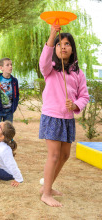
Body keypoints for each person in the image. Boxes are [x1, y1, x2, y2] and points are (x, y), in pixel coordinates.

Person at [39, 24, 89, 207]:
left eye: (67, 44)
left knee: (65, 155)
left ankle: (48, 186)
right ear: (55, 49)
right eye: (60, 44)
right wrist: (52, 35)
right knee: (53, 155)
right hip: (52, 117)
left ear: (72, 49)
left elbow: (84, 96)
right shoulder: (50, 69)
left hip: (67, 119)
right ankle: (46, 194)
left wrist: (75, 104)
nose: (63, 47)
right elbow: (43, 61)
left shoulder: (78, 73)